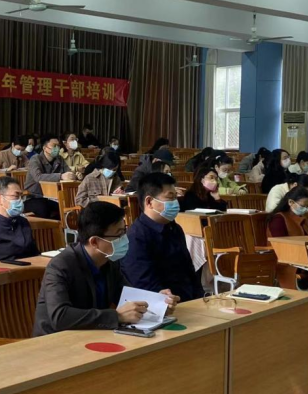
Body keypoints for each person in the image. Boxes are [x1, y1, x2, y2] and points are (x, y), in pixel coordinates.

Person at [32, 201, 178, 336]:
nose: (125, 239)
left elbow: (127, 296)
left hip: (92, 335)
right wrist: (117, 316)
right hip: (56, 341)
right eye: (118, 234)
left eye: (124, 232)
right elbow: (59, 316)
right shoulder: (60, 265)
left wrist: (157, 303)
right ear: (95, 242)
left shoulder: (109, 260)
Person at [121, 172, 203, 301]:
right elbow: (144, 283)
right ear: (149, 202)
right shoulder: (136, 237)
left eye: (176, 197)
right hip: (163, 305)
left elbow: (189, 269)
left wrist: (199, 297)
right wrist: (167, 301)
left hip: (189, 300)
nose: (175, 203)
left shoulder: (175, 228)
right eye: (170, 198)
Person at [24, 134, 75, 220]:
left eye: (58, 146)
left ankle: (60, 227)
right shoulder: (35, 159)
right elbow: (38, 177)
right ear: (45, 148)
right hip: (34, 197)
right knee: (43, 208)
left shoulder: (59, 159)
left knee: (66, 208)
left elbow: (68, 171)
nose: (57, 148)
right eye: (54, 146)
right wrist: (61, 176)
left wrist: (74, 175)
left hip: (53, 197)